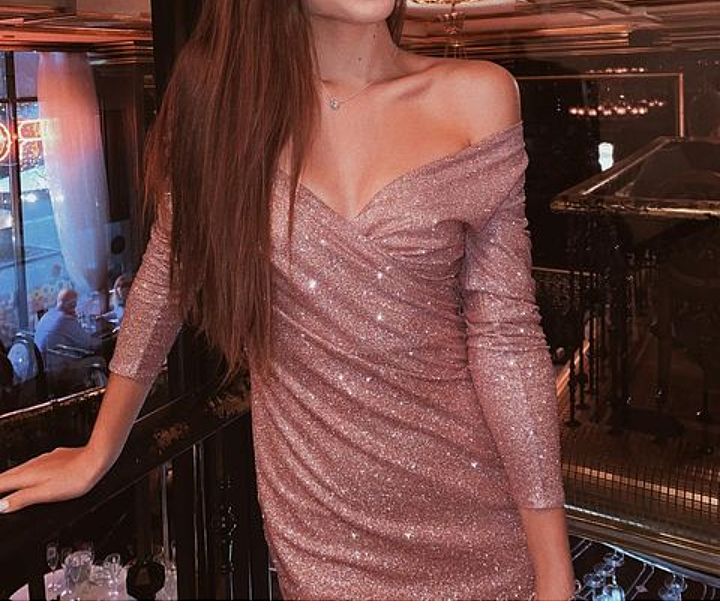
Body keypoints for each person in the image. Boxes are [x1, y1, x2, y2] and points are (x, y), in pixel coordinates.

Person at [0, 1, 575, 600]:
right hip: (320, 518)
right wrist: (100, 448)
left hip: (475, 502)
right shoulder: (219, 110)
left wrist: (554, 570)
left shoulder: (477, 96)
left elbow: (506, 333)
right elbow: (167, 280)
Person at [33, 288, 100, 361]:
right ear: (73, 304)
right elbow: (88, 344)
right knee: (99, 359)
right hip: (60, 365)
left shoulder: (47, 315)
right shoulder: (65, 319)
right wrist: (102, 341)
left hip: (43, 363)